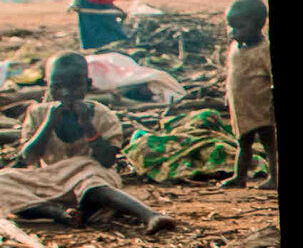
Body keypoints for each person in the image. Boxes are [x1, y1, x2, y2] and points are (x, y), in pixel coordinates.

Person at [1, 53, 175, 233]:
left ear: (88, 85)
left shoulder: (102, 115)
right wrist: (48, 124)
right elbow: (27, 158)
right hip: (49, 181)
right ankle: (59, 213)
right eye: (57, 87)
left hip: (90, 180)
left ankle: (150, 215)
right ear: (48, 85)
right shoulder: (37, 114)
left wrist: (87, 125)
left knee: (88, 174)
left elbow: (106, 161)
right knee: (2, 181)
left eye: (74, 87)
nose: (66, 94)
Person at [223, 0, 277, 188]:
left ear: (257, 26)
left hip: (261, 107)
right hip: (241, 108)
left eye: (239, 27)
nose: (233, 32)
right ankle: (240, 177)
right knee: (243, 143)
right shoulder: (235, 48)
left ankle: (274, 177)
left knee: (269, 143)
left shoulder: (265, 50)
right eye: (231, 27)